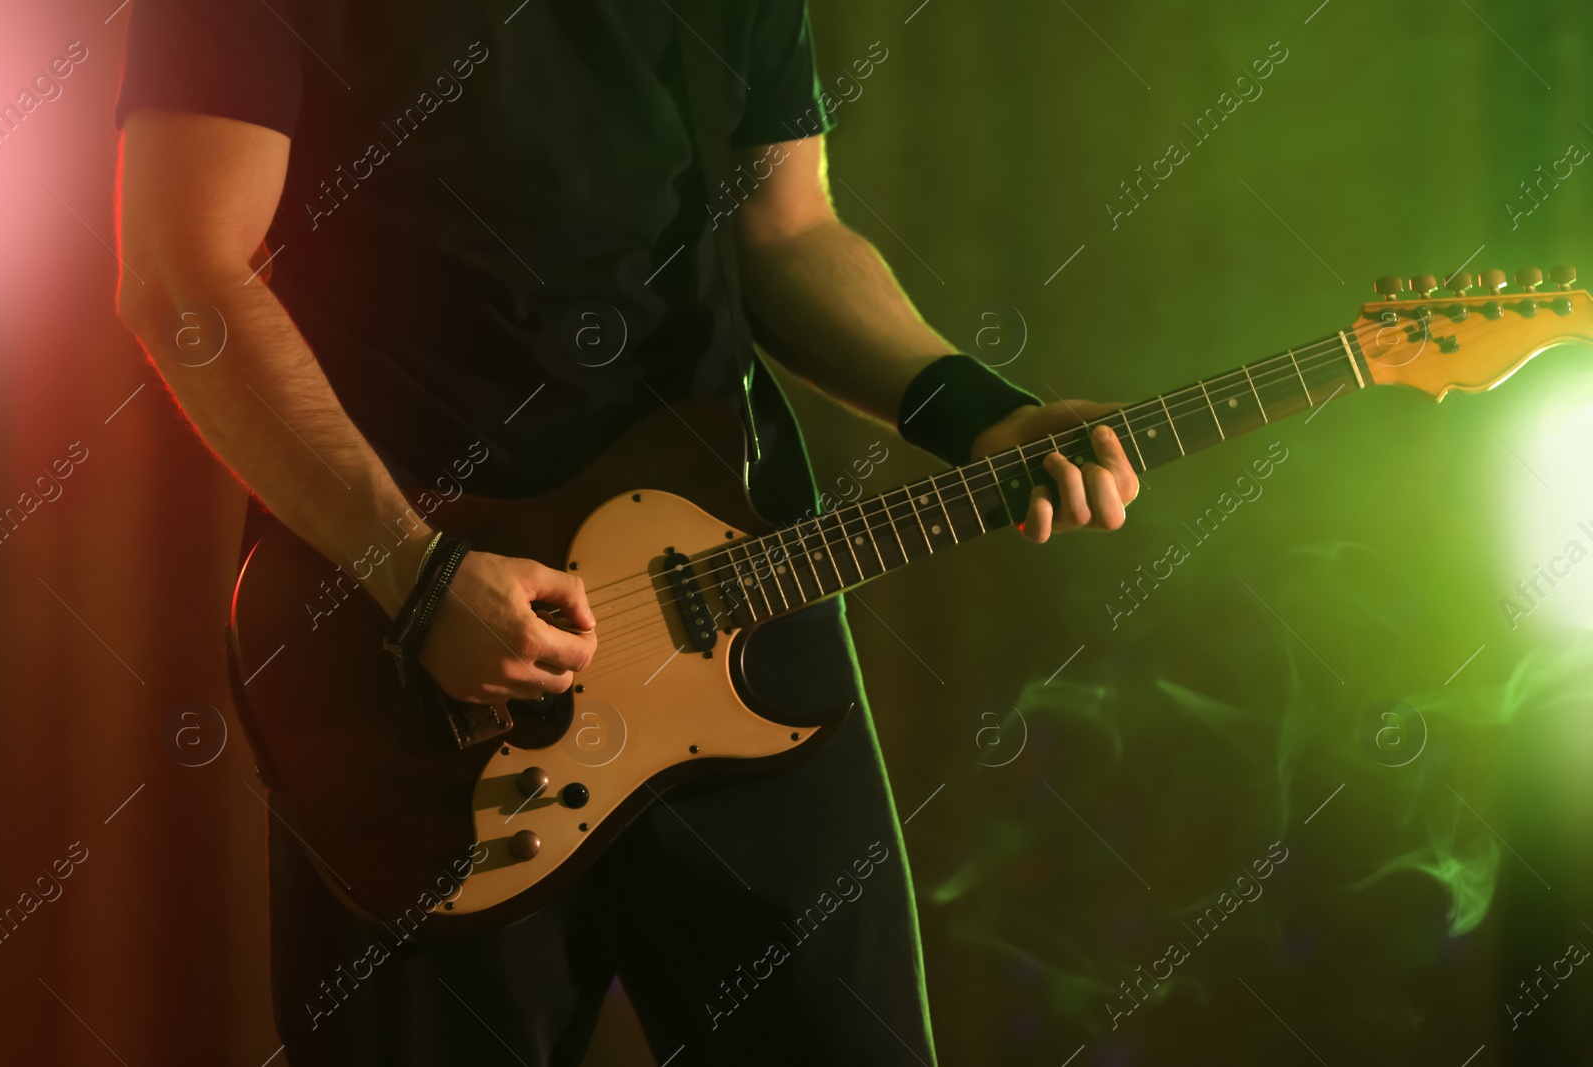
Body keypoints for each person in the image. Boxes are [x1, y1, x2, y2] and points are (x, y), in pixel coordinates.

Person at [112, 1, 1138, 1063]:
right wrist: (415, 574)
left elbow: (783, 231)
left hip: (735, 605)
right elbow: (182, 274)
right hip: (421, 678)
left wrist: (978, 413)